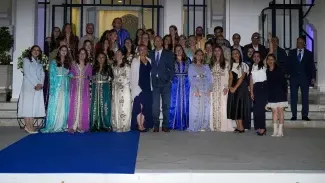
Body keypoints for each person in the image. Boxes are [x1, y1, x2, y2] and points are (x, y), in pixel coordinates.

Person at [41, 45, 71, 133]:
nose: (64, 52)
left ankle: (62, 124)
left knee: (63, 104)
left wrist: (72, 76)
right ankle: (53, 125)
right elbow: (52, 75)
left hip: (65, 85)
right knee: (56, 103)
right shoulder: (54, 62)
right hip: (57, 85)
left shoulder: (67, 63)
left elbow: (69, 74)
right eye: (62, 50)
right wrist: (53, 88)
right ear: (59, 51)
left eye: (65, 50)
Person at [287, 36, 316, 121]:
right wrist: (287, 74)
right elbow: (288, 64)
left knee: (305, 97)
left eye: (300, 42)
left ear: (304, 43)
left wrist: (313, 77)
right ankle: (294, 115)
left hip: (305, 78)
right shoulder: (291, 52)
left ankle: (304, 115)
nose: (299, 44)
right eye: (297, 42)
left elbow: (312, 66)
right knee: (293, 97)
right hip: (294, 78)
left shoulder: (309, 53)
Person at [18, 45, 46, 134]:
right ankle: (27, 126)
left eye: (38, 50)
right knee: (27, 106)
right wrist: (36, 84)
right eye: (34, 50)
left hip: (38, 87)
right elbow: (27, 73)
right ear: (31, 51)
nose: (36, 51)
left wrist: (41, 84)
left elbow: (42, 74)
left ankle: (31, 125)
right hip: (29, 86)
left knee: (33, 106)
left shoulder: (40, 62)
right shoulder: (26, 60)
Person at [150, 36, 175, 132]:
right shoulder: (150, 53)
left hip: (166, 83)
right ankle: (156, 125)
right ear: (154, 43)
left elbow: (172, 68)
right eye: (156, 40)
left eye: (160, 40)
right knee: (155, 106)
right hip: (154, 83)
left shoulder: (168, 53)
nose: (158, 42)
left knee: (166, 105)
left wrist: (171, 80)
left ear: (162, 42)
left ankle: (165, 125)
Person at [67, 48, 92, 133]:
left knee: (83, 106)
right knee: (74, 106)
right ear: (78, 55)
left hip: (84, 89)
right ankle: (72, 126)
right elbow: (69, 74)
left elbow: (91, 76)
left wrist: (86, 77)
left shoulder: (88, 65)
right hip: (75, 88)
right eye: (81, 53)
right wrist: (72, 76)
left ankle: (81, 126)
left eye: (84, 53)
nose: (82, 55)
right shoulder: (73, 64)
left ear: (86, 55)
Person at [188, 49, 213, 132]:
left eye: (201, 54)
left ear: (203, 56)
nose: (199, 56)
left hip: (205, 86)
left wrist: (209, 89)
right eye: (198, 54)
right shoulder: (191, 66)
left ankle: (204, 125)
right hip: (195, 86)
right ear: (195, 56)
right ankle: (195, 125)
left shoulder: (206, 66)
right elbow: (190, 78)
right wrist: (195, 89)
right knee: (196, 106)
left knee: (206, 106)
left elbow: (210, 79)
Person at [210, 46, 233, 132]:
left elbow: (229, 76)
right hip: (213, 87)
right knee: (213, 105)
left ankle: (223, 126)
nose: (217, 52)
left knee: (223, 105)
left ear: (221, 52)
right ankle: (214, 126)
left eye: (219, 50)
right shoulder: (211, 63)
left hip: (223, 87)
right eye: (215, 50)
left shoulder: (226, 63)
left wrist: (227, 87)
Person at [227, 49, 250, 133]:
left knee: (239, 107)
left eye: (237, 53)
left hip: (241, 87)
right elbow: (230, 77)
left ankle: (241, 127)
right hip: (233, 87)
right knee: (234, 106)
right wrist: (230, 87)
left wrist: (235, 88)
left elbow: (242, 77)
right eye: (233, 53)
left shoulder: (244, 65)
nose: (235, 54)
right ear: (232, 56)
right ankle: (238, 126)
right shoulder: (231, 65)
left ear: (239, 54)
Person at [130, 45, 153, 132]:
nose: (142, 51)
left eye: (144, 49)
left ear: (147, 50)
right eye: (141, 49)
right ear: (138, 51)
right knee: (139, 106)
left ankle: (143, 124)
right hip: (138, 86)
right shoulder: (135, 61)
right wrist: (133, 88)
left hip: (148, 87)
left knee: (146, 107)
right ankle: (139, 125)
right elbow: (132, 75)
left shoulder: (150, 60)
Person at [90, 52, 113, 132]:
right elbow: (91, 79)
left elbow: (111, 79)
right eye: (99, 57)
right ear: (97, 58)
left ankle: (105, 125)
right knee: (95, 106)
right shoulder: (94, 68)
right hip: (95, 89)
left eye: (103, 57)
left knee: (105, 106)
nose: (101, 59)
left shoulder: (108, 68)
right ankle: (95, 124)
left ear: (105, 59)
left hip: (105, 89)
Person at [169, 45, 191, 131]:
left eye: (180, 49)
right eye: (177, 50)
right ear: (174, 52)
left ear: (183, 50)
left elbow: (191, 71)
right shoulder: (172, 60)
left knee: (186, 103)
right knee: (174, 103)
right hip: (175, 83)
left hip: (186, 83)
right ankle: (174, 124)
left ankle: (186, 123)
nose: (178, 51)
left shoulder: (188, 60)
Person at [266, 54, 288, 137]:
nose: (270, 61)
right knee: (274, 112)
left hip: (280, 93)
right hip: (272, 94)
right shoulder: (267, 71)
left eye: (272, 59)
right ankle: (275, 131)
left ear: (274, 60)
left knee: (280, 112)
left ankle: (280, 131)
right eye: (268, 59)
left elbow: (284, 82)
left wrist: (285, 92)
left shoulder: (279, 70)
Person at [111, 50, 132, 132]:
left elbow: (128, 78)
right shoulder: (114, 66)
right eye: (116, 54)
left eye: (119, 54)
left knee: (124, 106)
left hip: (124, 88)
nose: (117, 55)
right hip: (116, 89)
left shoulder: (126, 66)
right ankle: (117, 124)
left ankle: (124, 126)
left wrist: (118, 80)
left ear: (123, 56)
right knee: (116, 106)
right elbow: (113, 78)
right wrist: (114, 81)